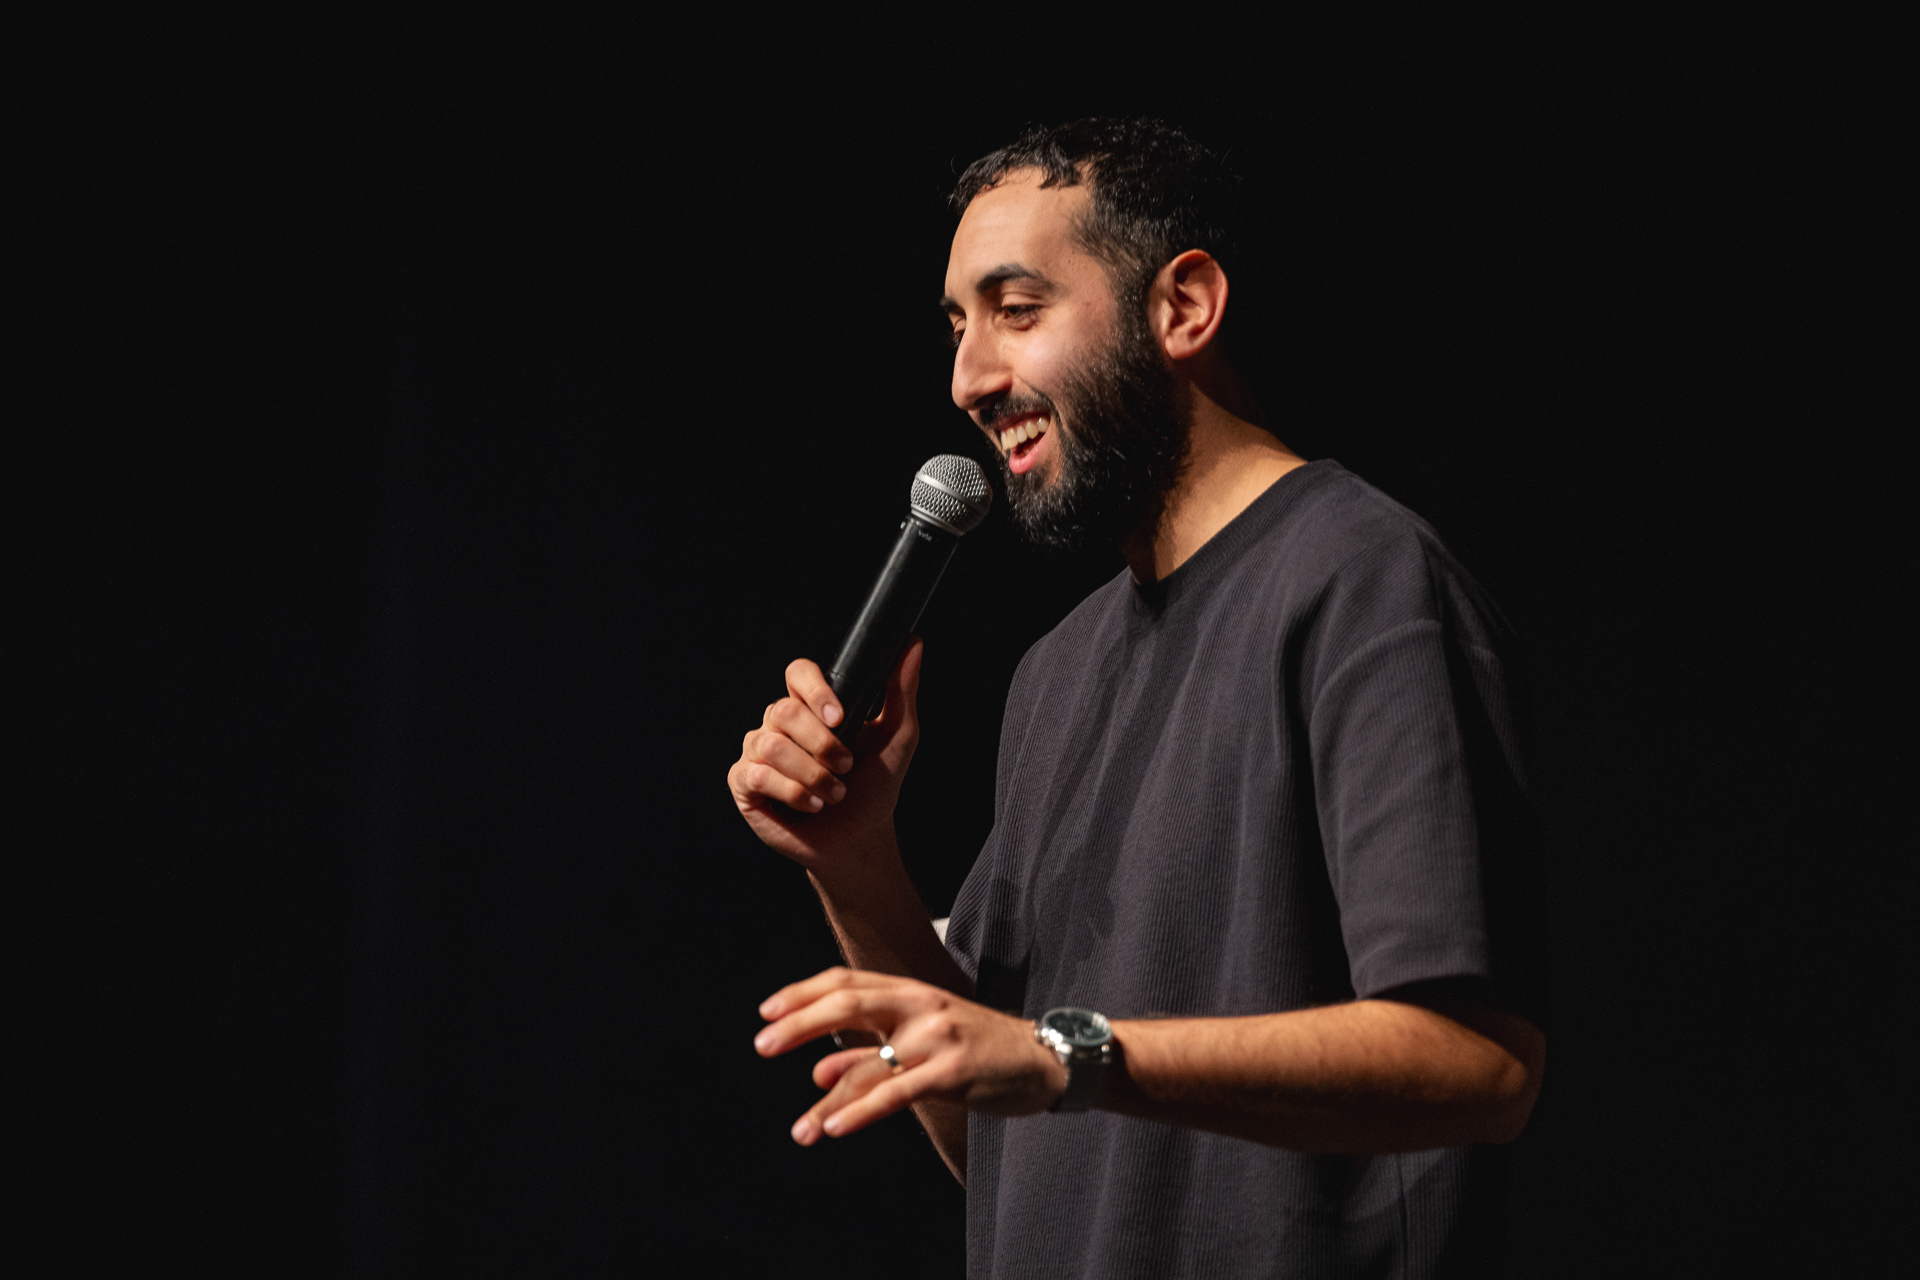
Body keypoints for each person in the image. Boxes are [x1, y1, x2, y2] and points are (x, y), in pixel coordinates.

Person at [727, 118, 1546, 1277]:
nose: (968, 379)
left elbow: (1481, 1064)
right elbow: (1002, 1134)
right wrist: (856, 860)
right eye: (957, 328)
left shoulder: (1360, 578)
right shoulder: (1055, 673)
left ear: (1184, 307)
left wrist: (1072, 1052)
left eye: (1017, 310)